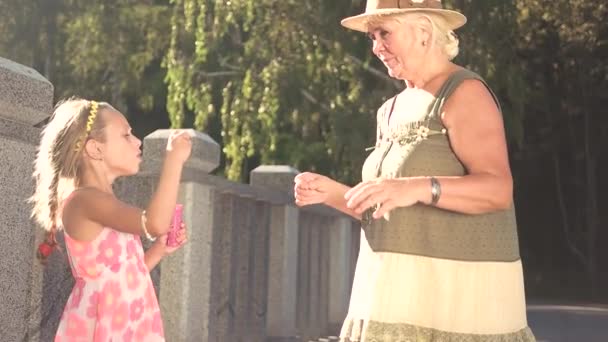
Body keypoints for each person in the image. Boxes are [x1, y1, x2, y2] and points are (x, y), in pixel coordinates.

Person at [294, 1, 536, 341]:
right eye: (372, 36)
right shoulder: (389, 110)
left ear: (423, 32)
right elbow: (393, 209)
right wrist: (332, 193)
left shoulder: (464, 92)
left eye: (384, 33)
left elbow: (497, 190)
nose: (376, 47)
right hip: (390, 296)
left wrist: (416, 187)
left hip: (458, 304)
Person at [30, 98, 191, 341]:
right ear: (95, 149)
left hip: (125, 324)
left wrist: (158, 250)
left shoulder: (103, 201)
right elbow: (155, 223)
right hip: (109, 328)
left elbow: (123, 277)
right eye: (126, 135)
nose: (138, 142)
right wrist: (174, 161)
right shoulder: (84, 201)